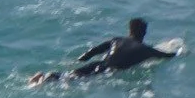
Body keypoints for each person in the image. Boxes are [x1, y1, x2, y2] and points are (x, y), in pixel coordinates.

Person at [32, 18, 173, 84]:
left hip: (98, 64)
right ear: (144, 33)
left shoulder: (116, 40)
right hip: (108, 71)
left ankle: (44, 76)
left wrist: (78, 60)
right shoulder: (146, 50)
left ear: (129, 31)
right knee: (73, 80)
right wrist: (180, 51)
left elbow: (92, 52)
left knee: (70, 74)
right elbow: (167, 56)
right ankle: (46, 78)